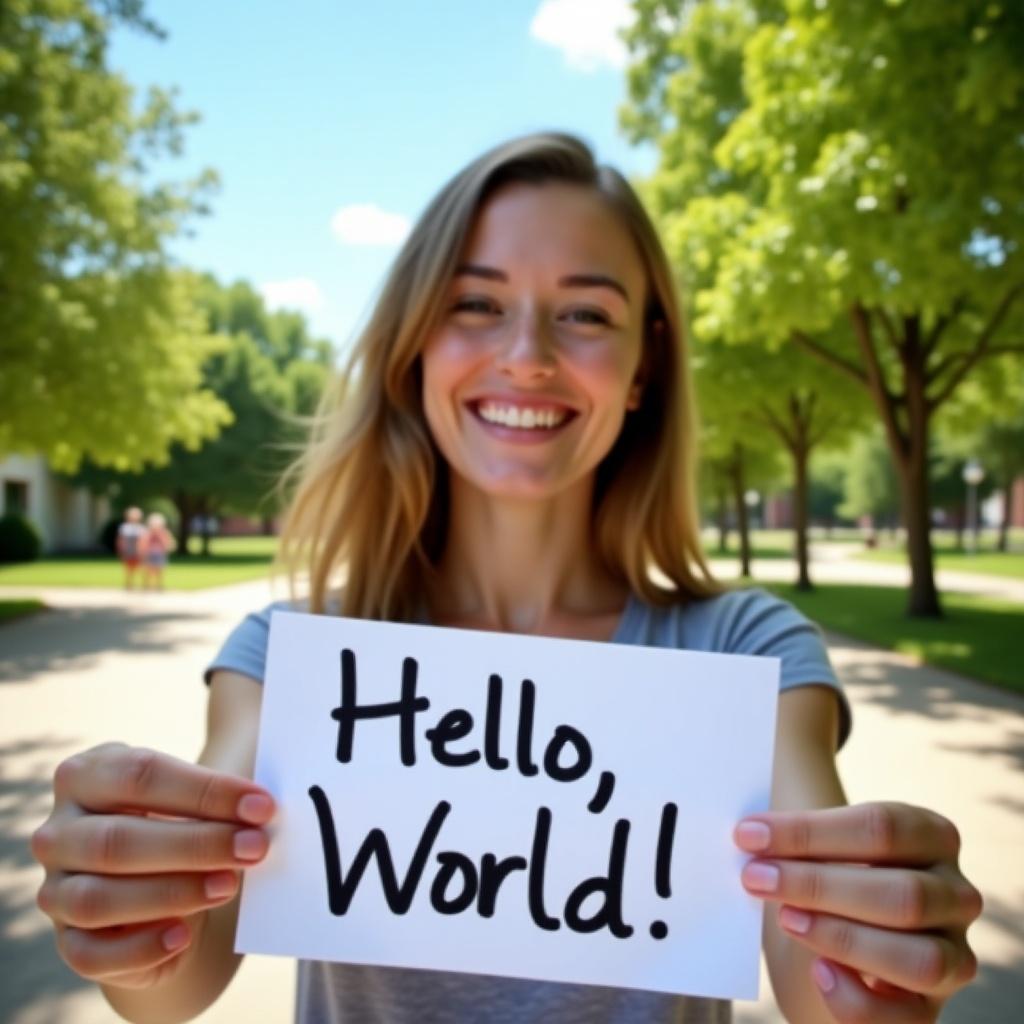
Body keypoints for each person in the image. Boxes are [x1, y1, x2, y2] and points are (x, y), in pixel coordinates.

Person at [31, 135, 981, 1024]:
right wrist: (132, 926)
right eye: (475, 303)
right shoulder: (292, 655)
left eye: (585, 313)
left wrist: (870, 958)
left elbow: (815, 966)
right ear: (413, 348)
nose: (527, 354)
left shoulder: (746, 650)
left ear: (643, 364)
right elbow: (177, 979)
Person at [140, 512, 175, 591]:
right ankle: (146, 586)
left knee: (160, 571)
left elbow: (169, 543)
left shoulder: (164, 532)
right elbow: (143, 543)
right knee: (147, 570)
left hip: (160, 554)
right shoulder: (147, 532)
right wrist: (143, 552)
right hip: (149, 553)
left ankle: (159, 586)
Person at [115, 507, 146, 590]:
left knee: (141, 568)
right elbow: (120, 539)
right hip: (128, 550)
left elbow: (144, 540)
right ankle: (129, 585)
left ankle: (143, 586)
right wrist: (120, 549)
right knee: (128, 569)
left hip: (139, 551)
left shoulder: (141, 528)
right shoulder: (124, 527)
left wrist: (143, 550)